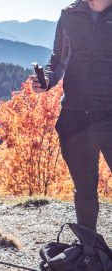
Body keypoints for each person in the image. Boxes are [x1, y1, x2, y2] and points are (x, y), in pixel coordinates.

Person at [32, 0, 112, 232]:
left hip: (109, 114)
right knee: (84, 189)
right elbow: (58, 59)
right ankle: (89, 252)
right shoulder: (70, 14)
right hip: (74, 116)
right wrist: (46, 81)